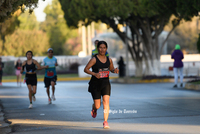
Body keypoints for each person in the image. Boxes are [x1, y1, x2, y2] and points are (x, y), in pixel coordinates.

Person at [84, 41, 119, 129]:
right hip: (95, 84)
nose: (102, 49)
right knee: (98, 105)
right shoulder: (94, 59)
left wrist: (114, 70)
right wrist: (94, 74)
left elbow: (111, 69)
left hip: (105, 83)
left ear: (106, 49)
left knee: (106, 102)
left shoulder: (109, 60)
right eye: (100, 47)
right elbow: (86, 69)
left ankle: (105, 121)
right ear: (98, 48)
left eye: (104, 48)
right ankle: (94, 108)